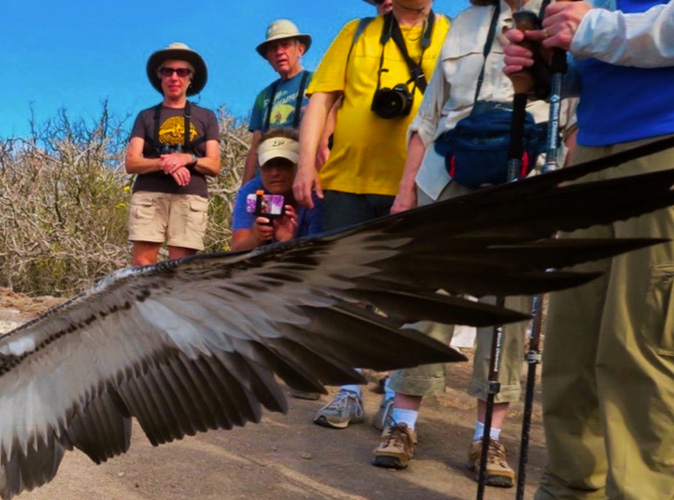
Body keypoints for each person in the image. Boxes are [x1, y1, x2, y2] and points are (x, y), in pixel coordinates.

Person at [377, 0, 578, 486]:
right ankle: (402, 425)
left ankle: (488, 436)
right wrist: (405, 191)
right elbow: (427, 117)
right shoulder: (464, 22)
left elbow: (572, 119)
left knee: (506, 307)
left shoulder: (562, 15)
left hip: (525, 174)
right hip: (444, 176)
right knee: (426, 296)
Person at [502, 1, 674, 498]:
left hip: (663, 152)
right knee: (572, 345)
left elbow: (613, 33)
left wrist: (594, 28)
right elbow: (610, 54)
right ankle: (569, 487)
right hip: (594, 151)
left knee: (644, 345)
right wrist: (550, 67)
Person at [294, 0, 450, 429]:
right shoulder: (356, 32)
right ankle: (348, 390)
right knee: (348, 290)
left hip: (419, 184)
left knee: (408, 291)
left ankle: (397, 395)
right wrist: (306, 164)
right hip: (347, 180)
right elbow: (322, 99)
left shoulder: (450, 33)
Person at [125, 43, 222, 266]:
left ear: (191, 78)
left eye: (182, 71)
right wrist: (167, 163)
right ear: (160, 77)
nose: (174, 77)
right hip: (149, 195)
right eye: (168, 71)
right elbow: (132, 162)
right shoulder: (145, 116)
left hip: (190, 196)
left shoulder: (206, 117)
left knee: (180, 270)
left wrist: (187, 159)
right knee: (142, 267)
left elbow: (214, 164)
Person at [242, 21, 314, 185]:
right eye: (273, 48)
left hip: (305, 172)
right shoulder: (263, 96)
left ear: (300, 49)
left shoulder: (317, 82)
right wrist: (244, 190)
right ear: (267, 57)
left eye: (285, 45)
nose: (279, 52)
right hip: (271, 177)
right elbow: (255, 147)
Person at [229, 127, 322, 252]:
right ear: (259, 168)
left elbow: (321, 254)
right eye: (268, 165)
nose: (275, 172)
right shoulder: (251, 192)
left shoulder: (315, 195)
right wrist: (256, 238)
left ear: (300, 165)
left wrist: (290, 242)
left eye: (284, 164)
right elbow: (236, 250)